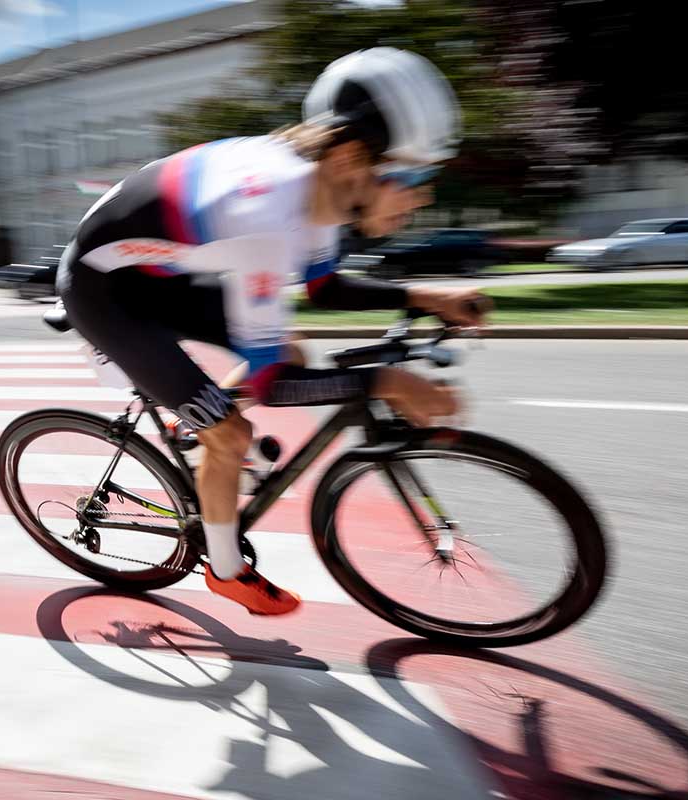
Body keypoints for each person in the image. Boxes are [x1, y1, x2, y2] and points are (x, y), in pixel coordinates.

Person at [58, 48, 488, 616]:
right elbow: (272, 387)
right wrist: (385, 381)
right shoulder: (266, 215)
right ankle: (225, 570)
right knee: (231, 433)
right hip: (104, 291)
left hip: (160, 273)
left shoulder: (318, 191)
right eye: (412, 177)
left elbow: (325, 289)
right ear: (349, 159)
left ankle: (192, 420)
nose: (424, 196)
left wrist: (425, 296)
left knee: (288, 347)